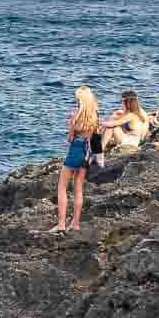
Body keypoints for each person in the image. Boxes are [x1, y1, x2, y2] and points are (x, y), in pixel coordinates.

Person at [53, 87, 98, 233]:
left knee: (62, 187)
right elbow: (95, 137)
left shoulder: (75, 115)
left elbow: (70, 138)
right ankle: (75, 224)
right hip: (87, 153)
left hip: (75, 150)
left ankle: (61, 224)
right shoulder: (95, 116)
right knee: (78, 189)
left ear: (80, 100)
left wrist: (70, 124)